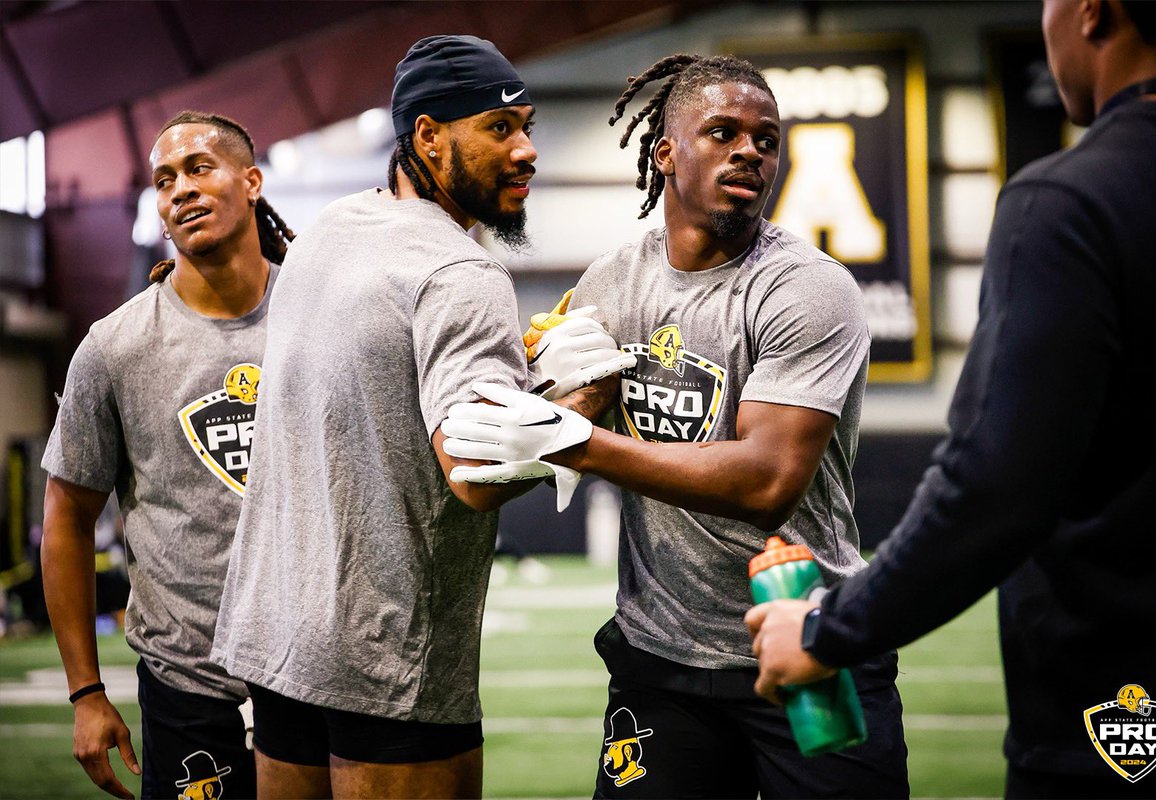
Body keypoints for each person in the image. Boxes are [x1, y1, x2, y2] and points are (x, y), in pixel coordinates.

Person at [744, 1, 1156, 797]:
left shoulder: (1073, 201)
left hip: (1122, 721)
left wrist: (826, 629)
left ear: (1094, 12)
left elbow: (994, 483)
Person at [443, 54, 908, 798]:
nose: (749, 152)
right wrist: (550, 404)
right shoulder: (609, 282)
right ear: (665, 152)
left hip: (805, 647)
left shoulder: (808, 289)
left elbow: (766, 482)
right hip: (661, 663)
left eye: (765, 139)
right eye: (721, 132)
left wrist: (577, 443)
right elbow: (571, 420)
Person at [209, 35, 627, 799]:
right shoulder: (461, 272)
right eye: (498, 129)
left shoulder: (326, 230)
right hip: (386, 659)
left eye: (527, 125)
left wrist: (528, 383)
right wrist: (590, 392)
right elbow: (474, 473)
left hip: (277, 639)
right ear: (428, 137)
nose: (527, 149)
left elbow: (381, 396)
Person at [40, 110, 294, 800]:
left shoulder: (320, 315)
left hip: (315, 674)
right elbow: (65, 518)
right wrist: (86, 692)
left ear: (251, 181)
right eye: (163, 179)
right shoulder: (116, 346)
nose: (179, 188)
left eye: (199, 168)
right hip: (187, 688)